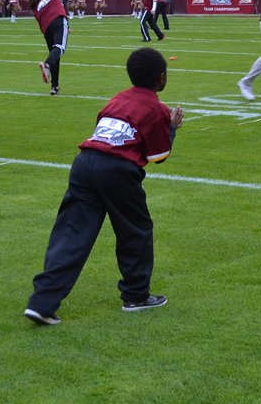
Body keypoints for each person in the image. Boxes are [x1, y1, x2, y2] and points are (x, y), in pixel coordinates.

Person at [25, 47, 183, 326]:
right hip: (117, 170)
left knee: (72, 233)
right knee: (135, 231)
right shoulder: (157, 108)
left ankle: (42, 303)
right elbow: (158, 157)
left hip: (84, 163)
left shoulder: (117, 99)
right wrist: (171, 128)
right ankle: (136, 296)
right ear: (161, 77)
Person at [28, 0, 69, 96]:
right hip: (59, 20)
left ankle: (54, 86)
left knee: (55, 55)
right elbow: (60, 5)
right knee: (60, 48)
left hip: (47, 28)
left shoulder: (35, 8)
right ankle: (47, 65)